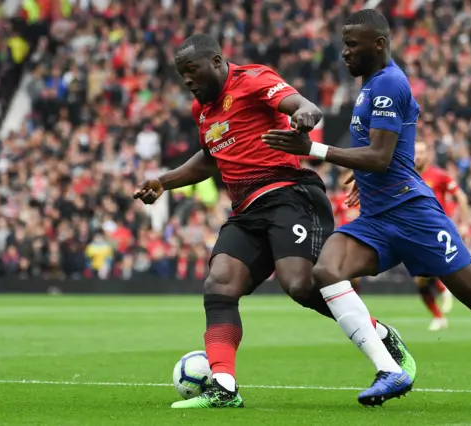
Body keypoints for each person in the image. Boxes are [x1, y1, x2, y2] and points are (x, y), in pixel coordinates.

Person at [262, 9, 471, 409]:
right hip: (377, 219)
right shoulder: (371, 85)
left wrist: (315, 150)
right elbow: (387, 151)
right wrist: (367, 177)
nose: (343, 52)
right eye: (343, 44)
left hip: (414, 216)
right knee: (325, 271)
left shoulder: (390, 83)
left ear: (378, 44)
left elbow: (379, 155)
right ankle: (389, 367)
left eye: (352, 44)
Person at [133, 34, 415, 410]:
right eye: (181, 74)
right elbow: (209, 158)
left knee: (298, 285)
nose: (187, 80)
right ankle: (224, 386)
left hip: (290, 195)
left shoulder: (252, 79)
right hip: (246, 211)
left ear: (216, 62)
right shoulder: (202, 111)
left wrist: (303, 117)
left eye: (191, 70)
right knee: (219, 285)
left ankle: (380, 335)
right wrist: (163, 181)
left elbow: (304, 105)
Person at [413, 140, 469, 330]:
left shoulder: (439, 175)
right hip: (414, 230)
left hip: (437, 228)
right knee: (420, 280)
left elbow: (461, 197)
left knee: (431, 265)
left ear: (428, 154)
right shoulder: (406, 174)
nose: (418, 156)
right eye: (415, 152)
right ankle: (439, 315)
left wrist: (464, 224)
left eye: (421, 152)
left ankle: (444, 287)